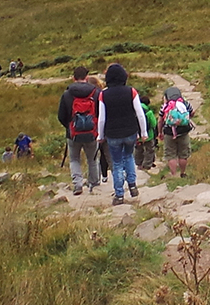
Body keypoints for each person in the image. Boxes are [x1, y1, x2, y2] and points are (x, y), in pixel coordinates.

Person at [96, 63, 148, 206]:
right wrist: (143, 132)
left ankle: (119, 195)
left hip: (112, 134)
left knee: (117, 163)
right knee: (128, 157)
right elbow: (140, 114)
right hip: (130, 131)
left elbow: (102, 118)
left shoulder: (103, 95)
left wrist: (100, 135)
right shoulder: (131, 92)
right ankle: (132, 185)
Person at [57, 68, 101, 195]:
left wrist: (69, 126)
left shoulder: (67, 94)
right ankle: (94, 184)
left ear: (73, 78)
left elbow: (61, 115)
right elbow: (100, 112)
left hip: (73, 134)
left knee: (74, 159)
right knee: (92, 159)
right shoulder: (96, 92)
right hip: (92, 132)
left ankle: (78, 185)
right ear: (86, 78)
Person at [158, 85, 195, 178]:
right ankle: (183, 173)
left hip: (169, 133)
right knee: (183, 154)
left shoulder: (165, 106)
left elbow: (160, 120)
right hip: (183, 132)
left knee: (170, 154)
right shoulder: (185, 104)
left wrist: (160, 132)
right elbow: (191, 114)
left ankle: (174, 174)